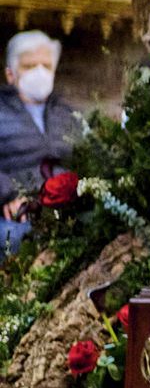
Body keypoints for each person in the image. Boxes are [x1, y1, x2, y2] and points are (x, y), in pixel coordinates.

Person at [0, 31, 79, 254]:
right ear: (10, 74)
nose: (39, 72)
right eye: (29, 65)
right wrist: (10, 195)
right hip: (16, 209)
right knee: (16, 240)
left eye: (46, 65)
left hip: (67, 206)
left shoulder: (69, 114)